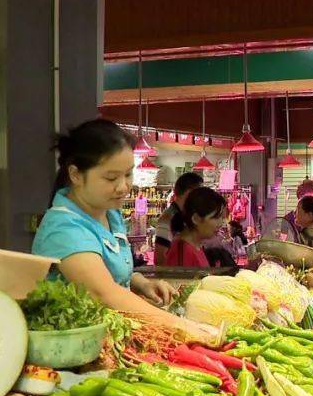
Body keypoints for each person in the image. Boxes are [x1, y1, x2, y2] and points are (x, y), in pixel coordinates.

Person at [32, 119, 204, 333]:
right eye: (111, 178)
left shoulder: (109, 212)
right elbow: (103, 293)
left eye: (128, 174)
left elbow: (109, 272)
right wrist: (183, 327)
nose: (123, 187)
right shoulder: (63, 229)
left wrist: (141, 283)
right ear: (75, 174)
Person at [165, 187, 229, 268]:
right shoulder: (183, 251)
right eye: (216, 218)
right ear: (196, 219)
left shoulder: (196, 246)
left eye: (222, 218)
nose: (220, 223)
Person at [154, 172, 203, 265]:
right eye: (199, 194)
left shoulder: (184, 216)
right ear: (189, 193)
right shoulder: (168, 218)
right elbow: (160, 258)